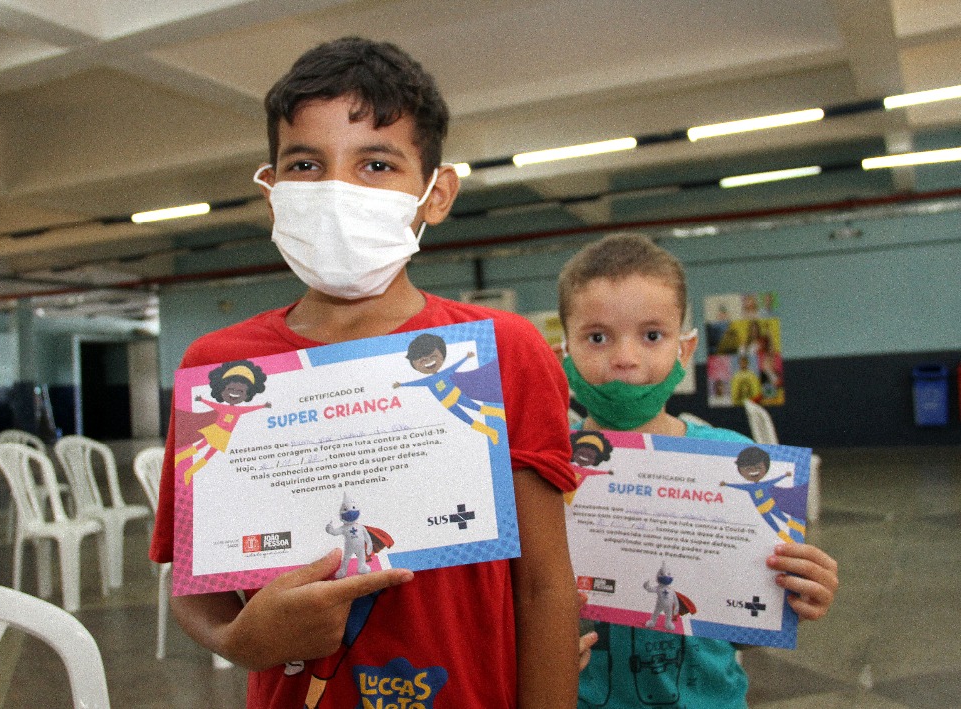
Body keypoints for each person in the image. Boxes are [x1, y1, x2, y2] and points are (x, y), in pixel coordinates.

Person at [149, 37, 579, 709]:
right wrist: (238, 639)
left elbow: (544, 587)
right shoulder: (219, 366)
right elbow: (196, 587)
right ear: (273, 193)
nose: (336, 191)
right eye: (305, 164)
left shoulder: (505, 350)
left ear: (436, 194)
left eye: (376, 164)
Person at [558, 234, 839, 708]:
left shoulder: (733, 461)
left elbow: (742, 630)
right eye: (597, 337)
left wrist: (796, 595)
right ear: (564, 352)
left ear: (685, 350)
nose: (625, 358)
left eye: (652, 335)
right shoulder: (542, 466)